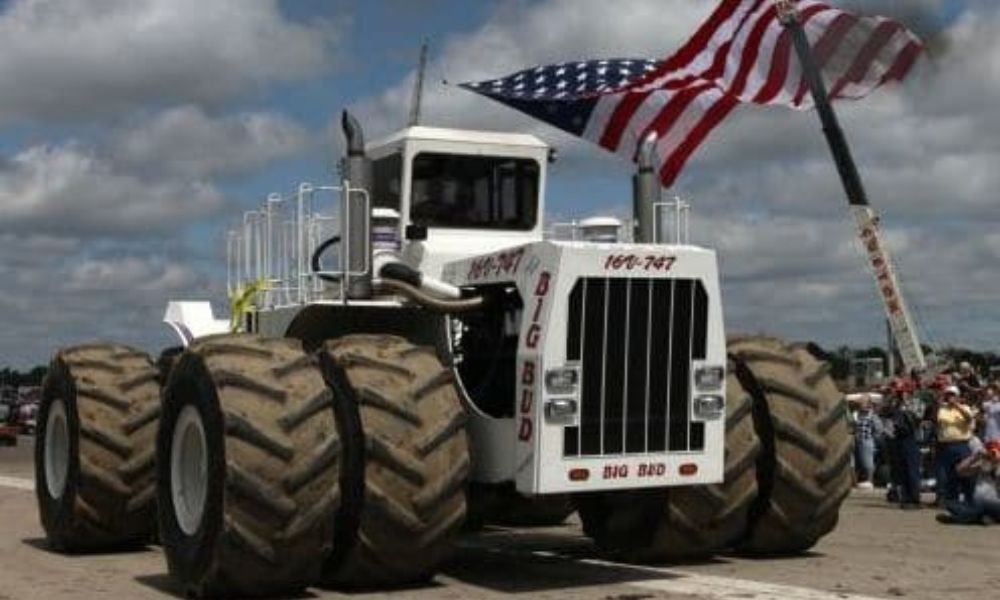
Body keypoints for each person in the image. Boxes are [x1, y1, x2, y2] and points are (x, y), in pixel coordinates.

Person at [938, 439, 1000, 524]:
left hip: (995, 503)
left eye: (993, 454)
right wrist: (975, 457)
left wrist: (995, 466)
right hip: (977, 503)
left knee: (977, 509)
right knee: (951, 504)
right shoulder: (981, 465)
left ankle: (961, 518)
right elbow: (959, 471)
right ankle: (981, 517)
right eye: (989, 454)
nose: (991, 457)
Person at [935, 386, 976, 503]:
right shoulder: (942, 409)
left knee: (966, 475)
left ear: (958, 396)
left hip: (961, 445)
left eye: (952, 395)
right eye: (948, 395)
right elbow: (937, 421)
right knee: (950, 476)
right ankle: (952, 502)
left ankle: (970, 501)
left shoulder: (965, 408)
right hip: (946, 445)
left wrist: (957, 406)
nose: (950, 397)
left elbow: (969, 418)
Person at [888, 389, 922, 508]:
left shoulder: (915, 402)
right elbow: (886, 412)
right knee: (902, 470)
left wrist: (906, 408)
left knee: (912, 470)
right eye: (900, 393)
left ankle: (915, 499)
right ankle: (905, 498)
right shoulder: (896, 404)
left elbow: (918, 417)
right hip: (898, 439)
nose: (902, 394)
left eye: (904, 392)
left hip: (911, 439)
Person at [854, 394, 883, 488]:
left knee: (868, 463)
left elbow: (879, 429)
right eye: (860, 402)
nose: (860, 404)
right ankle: (858, 481)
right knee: (858, 462)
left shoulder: (872, 415)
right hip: (857, 440)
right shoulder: (857, 414)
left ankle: (870, 481)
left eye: (862, 402)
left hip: (867, 440)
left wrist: (872, 440)